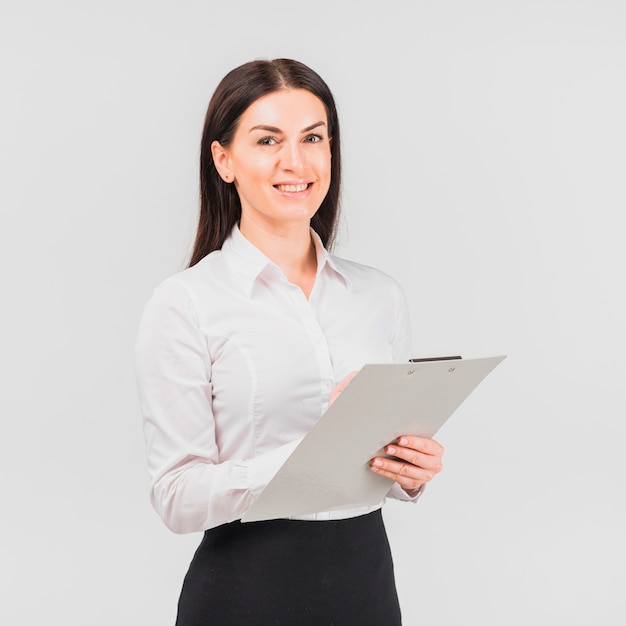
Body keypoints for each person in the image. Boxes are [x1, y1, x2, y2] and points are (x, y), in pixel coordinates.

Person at [135, 58, 444, 625]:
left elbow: (382, 463)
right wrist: (315, 449)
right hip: (246, 593)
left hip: (367, 586)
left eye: (313, 138)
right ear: (224, 160)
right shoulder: (186, 304)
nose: (295, 161)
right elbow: (176, 497)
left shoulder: (380, 296)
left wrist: (409, 468)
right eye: (267, 140)